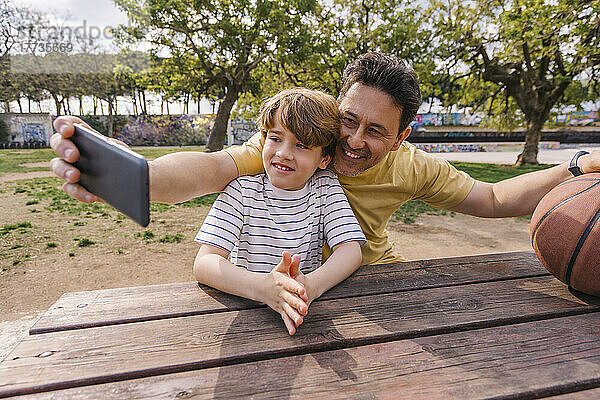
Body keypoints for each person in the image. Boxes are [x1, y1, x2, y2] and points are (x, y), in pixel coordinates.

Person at [50, 51, 600, 277]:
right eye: (349, 120)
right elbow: (213, 168)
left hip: (372, 278)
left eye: (376, 131)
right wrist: (127, 181)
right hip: (291, 285)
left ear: (403, 136)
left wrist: (576, 165)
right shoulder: (304, 145)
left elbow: (495, 199)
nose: (353, 141)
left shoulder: (413, 167)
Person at [192, 88, 365, 335]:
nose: (284, 153)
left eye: (302, 145)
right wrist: (264, 287)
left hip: (302, 313)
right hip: (245, 312)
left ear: (324, 160)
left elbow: (350, 251)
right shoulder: (242, 190)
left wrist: (312, 286)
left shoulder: (325, 188)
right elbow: (205, 263)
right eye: (275, 138)